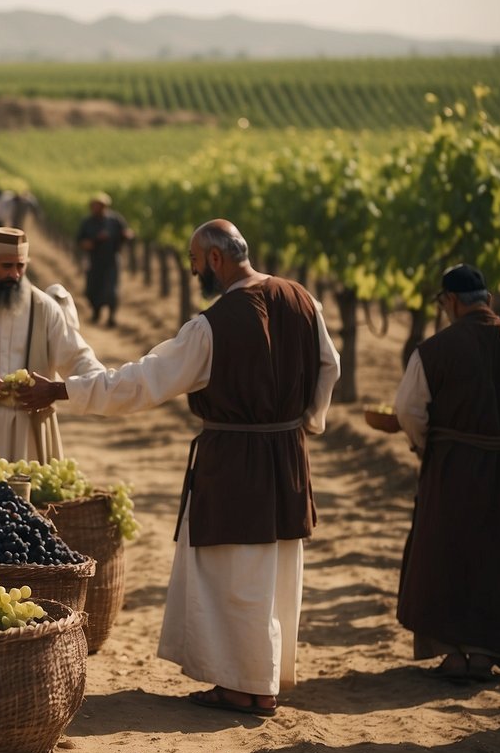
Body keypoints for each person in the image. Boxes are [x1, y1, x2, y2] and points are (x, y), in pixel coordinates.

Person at [18, 219, 341, 718]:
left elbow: (141, 383)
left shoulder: (211, 326)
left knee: (234, 574)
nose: (193, 274)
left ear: (216, 258)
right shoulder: (304, 301)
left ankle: (245, 689)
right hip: (287, 456)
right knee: (271, 570)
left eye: (194, 262)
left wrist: (62, 389)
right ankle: (259, 682)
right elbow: (330, 364)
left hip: (235, 463)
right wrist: (306, 423)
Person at [393, 264, 500, 683]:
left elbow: (408, 411)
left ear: (450, 301)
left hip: (452, 466)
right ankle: (485, 654)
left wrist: (426, 446)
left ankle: (450, 654)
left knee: (448, 551)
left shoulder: (433, 350)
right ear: (487, 298)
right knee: (498, 557)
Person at [0, 227, 105, 463]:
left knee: (32, 496)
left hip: (31, 427)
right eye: (6, 266)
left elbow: (75, 356)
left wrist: (97, 383)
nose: (15, 275)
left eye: (21, 266)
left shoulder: (46, 308)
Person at [76, 192, 135, 327]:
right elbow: (81, 241)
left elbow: (125, 232)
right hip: (94, 261)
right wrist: (95, 241)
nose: (98, 208)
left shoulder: (115, 220)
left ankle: (111, 317)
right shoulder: (87, 222)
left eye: (101, 206)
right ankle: (96, 313)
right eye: (95, 206)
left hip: (112, 260)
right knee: (93, 289)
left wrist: (127, 235)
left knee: (111, 290)